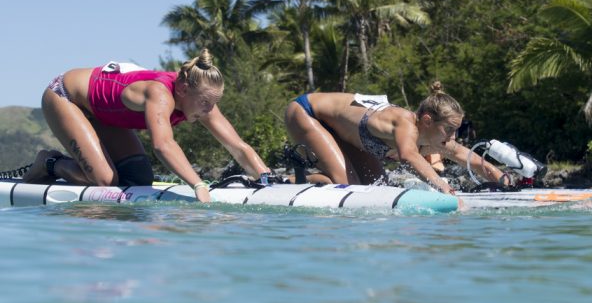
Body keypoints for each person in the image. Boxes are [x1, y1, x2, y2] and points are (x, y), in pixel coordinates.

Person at [23, 49, 271, 203]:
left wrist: (267, 180)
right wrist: (198, 185)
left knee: (138, 177)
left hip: (104, 113)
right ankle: (50, 163)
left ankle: (70, 165)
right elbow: (163, 145)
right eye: (206, 103)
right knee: (106, 182)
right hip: (66, 96)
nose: (210, 110)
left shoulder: (198, 98)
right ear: (184, 89)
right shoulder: (160, 94)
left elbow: (238, 146)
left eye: (214, 103)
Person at [284, 81, 506, 195]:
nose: (452, 137)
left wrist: (502, 179)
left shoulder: (431, 135)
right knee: (347, 187)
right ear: (427, 120)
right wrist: (444, 189)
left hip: (340, 130)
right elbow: (408, 155)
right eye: (449, 129)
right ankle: (289, 180)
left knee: (377, 188)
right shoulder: (405, 124)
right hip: (306, 112)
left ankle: (315, 177)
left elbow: (467, 156)